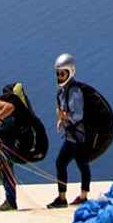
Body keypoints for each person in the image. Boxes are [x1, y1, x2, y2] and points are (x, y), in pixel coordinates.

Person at [49, 53, 93, 209]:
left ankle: (63, 198)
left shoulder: (74, 91)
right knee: (82, 164)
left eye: (63, 73)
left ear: (70, 72)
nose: (60, 77)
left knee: (61, 163)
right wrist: (61, 120)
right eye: (58, 74)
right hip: (73, 135)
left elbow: (78, 115)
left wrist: (64, 116)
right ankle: (83, 196)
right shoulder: (63, 90)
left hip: (76, 136)